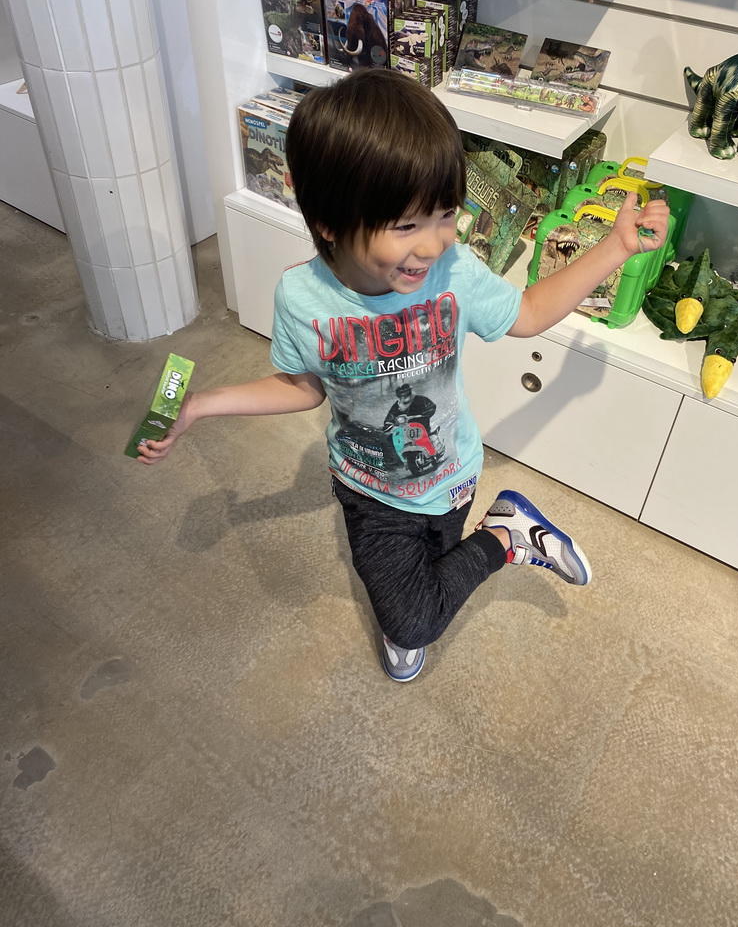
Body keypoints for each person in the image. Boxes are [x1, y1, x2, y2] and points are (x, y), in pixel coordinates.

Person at [138, 68, 669, 683]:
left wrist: (616, 248)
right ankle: (503, 540)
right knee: (416, 618)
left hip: (454, 475)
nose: (436, 242)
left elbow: (527, 313)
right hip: (370, 492)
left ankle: (493, 528)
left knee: (432, 579)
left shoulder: (455, 272)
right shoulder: (302, 298)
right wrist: (200, 405)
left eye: (446, 213)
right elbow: (303, 386)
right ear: (330, 220)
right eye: (405, 225)